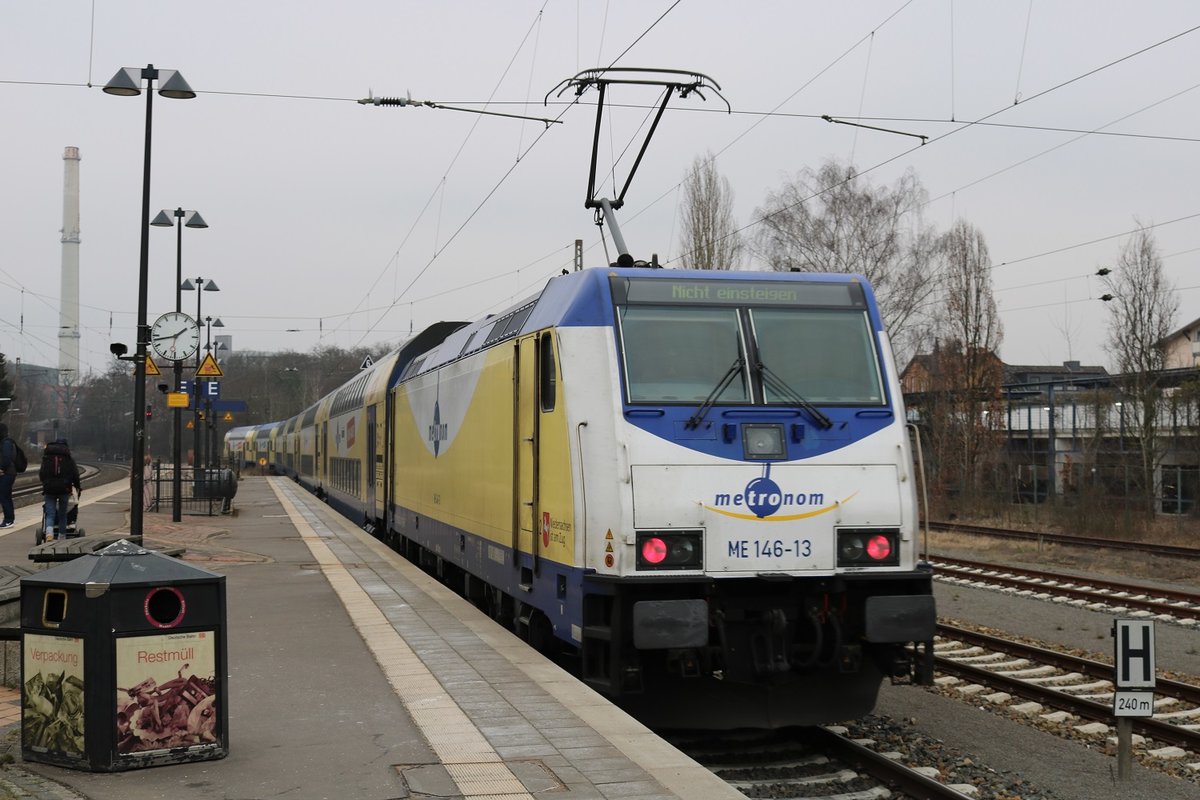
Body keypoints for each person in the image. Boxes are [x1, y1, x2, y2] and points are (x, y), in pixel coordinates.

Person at [39, 439, 81, 542]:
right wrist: (77, 486)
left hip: (49, 489)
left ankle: (49, 533)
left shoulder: (47, 457)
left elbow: (42, 473)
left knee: (50, 513)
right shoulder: (68, 458)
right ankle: (61, 537)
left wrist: (45, 483)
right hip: (64, 489)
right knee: (63, 514)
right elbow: (75, 474)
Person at [0, 422, 15, 528]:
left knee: (4, 496)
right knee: (6, 496)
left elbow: (6, 458)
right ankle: (9, 519)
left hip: (7, 473)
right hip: (6, 473)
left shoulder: (6, 443)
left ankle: (8, 520)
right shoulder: (4, 442)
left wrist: (1, 468)